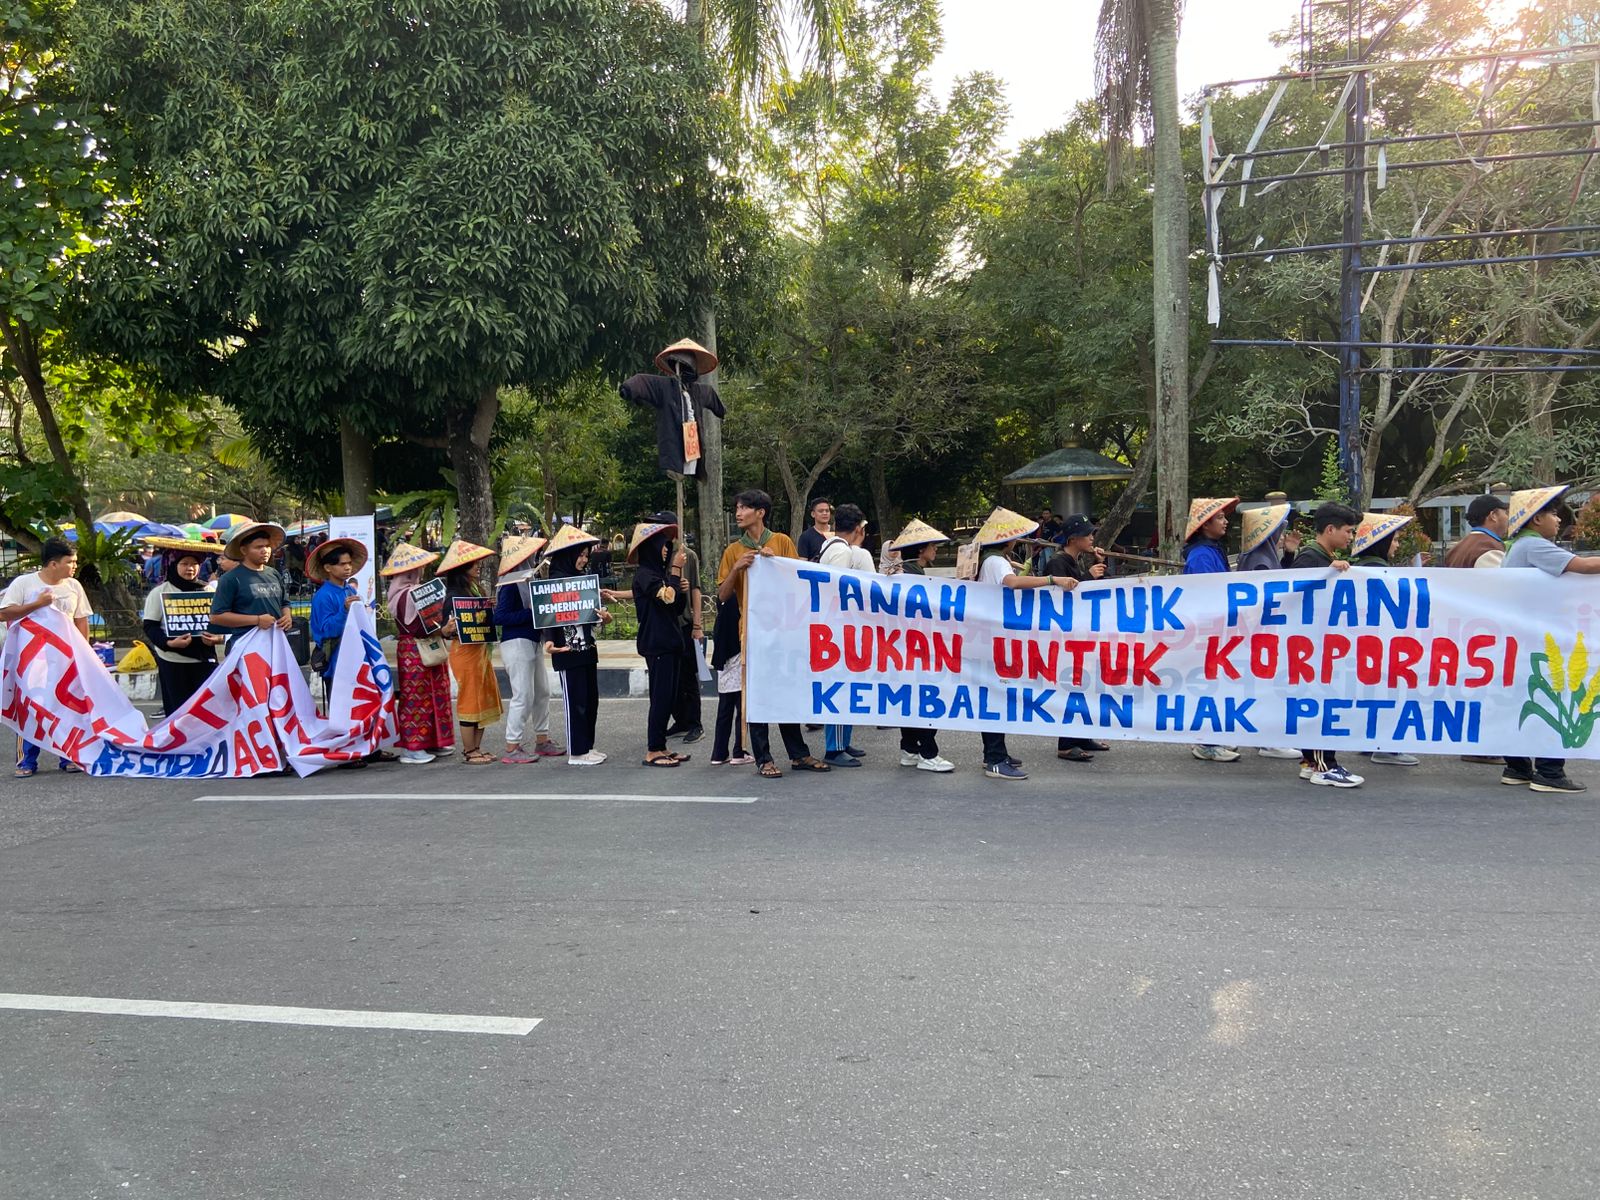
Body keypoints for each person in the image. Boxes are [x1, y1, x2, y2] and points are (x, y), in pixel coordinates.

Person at [717, 488, 830, 778]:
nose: (738, 513)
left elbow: (797, 580)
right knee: (757, 697)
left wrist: (774, 564)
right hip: (753, 634)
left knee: (785, 694)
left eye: (744, 508)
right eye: (737, 508)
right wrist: (738, 569)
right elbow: (723, 595)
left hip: (784, 632)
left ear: (760, 512)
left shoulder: (781, 542)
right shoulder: (734, 551)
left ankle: (798, 754)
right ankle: (763, 758)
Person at [1499, 486, 1600, 794]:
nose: (1558, 520)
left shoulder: (1517, 546)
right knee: (1554, 698)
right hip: (1538, 642)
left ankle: (1517, 768)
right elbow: (1582, 567)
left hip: (1521, 636)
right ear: (1536, 518)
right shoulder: (1534, 545)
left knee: (1521, 699)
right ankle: (1549, 773)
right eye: (1554, 514)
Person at [973, 507, 1083, 781]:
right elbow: (1011, 583)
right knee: (996, 697)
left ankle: (997, 753)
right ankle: (995, 759)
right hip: (995, 638)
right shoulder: (997, 562)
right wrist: (1050, 580)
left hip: (992, 635)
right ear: (1007, 539)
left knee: (997, 695)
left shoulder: (991, 559)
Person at [3, 538, 92, 777]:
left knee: (69, 706)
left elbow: (81, 620)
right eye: (69, 561)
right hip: (34, 660)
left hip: (67, 659)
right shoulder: (24, 583)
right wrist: (37, 604)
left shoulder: (73, 586)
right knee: (33, 706)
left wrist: (84, 653)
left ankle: (69, 756)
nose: (74, 565)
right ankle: (27, 760)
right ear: (53, 564)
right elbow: (4, 613)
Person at [1290, 502, 1363, 788]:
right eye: (1347, 531)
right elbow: (1294, 593)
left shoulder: (1322, 558)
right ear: (1330, 529)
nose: (1350, 537)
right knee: (1321, 701)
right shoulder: (1312, 559)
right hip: (1314, 649)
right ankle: (1324, 765)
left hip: (1318, 647)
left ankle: (1311, 761)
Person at [1347, 512, 1422, 768]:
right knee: (1389, 692)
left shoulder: (1358, 568)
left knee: (1371, 693)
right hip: (1383, 645)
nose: (1397, 545)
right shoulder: (1379, 571)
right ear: (1382, 542)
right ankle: (1386, 747)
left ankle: (1370, 742)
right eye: (1395, 540)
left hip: (1364, 645)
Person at [1235, 502, 1306, 760]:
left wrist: (1288, 555)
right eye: (1278, 530)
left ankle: (1263, 736)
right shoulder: (1260, 561)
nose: (1281, 536)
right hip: (1263, 634)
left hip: (1260, 634)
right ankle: (1269, 740)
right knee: (1268, 685)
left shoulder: (1261, 557)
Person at [884, 519, 955, 772]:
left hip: (904, 646)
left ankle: (909, 749)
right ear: (921, 550)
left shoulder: (904, 571)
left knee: (911, 697)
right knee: (926, 698)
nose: (935, 551)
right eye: (932, 547)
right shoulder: (909, 574)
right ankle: (928, 752)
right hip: (917, 646)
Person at [541, 524, 612, 766]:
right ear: (567, 555)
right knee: (576, 701)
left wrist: (604, 616)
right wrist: (548, 640)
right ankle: (577, 752)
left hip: (587, 648)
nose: (583, 560)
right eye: (580, 555)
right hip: (567, 649)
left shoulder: (583, 581)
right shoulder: (554, 582)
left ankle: (587, 746)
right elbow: (547, 615)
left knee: (591, 699)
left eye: (585, 555)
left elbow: (592, 615)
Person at [1042, 514, 1110, 763]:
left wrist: (1099, 564)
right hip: (1064, 637)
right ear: (1073, 538)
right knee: (1071, 686)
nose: (1092, 537)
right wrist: (1089, 577)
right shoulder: (1058, 564)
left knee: (1086, 684)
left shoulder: (1076, 560)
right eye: (1088, 533)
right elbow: (1062, 599)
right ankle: (1066, 742)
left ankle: (1082, 734)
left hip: (1081, 635)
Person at [493, 533, 563, 764]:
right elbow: (500, 616)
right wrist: (534, 614)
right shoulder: (510, 583)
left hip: (531, 641)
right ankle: (512, 746)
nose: (535, 557)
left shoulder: (526, 580)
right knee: (523, 695)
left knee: (541, 691)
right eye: (532, 553)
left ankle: (542, 740)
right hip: (516, 642)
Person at [383, 542, 454, 765]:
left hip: (426, 646)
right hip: (414, 650)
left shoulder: (415, 591)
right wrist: (441, 629)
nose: (422, 571)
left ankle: (433, 740)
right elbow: (415, 627)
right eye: (420, 567)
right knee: (417, 698)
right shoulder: (405, 595)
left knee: (436, 693)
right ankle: (412, 746)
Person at [1183, 498, 1241, 764]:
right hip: (1207, 631)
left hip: (1215, 630)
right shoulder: (1201, 556)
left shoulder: (1211, 551)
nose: (1225, 521)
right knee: (1207, 685)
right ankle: (1205, 742)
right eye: (1219, 518)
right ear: (1206, 525)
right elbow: (1206, 596)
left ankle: (1211, 736)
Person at [817, 503, 875, 767]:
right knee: (841, 686)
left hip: (837, 628)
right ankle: (835, 747)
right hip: (840, 629)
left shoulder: (832, 546)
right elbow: (838, 588)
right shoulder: (841, 551)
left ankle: (843, 740)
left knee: (846, 685)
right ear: (858, 528)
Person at [139, 537, 223, 718]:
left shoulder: (208, 591)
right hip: (173, 661)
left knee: (205, 712)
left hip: (204, 660)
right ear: (173, 564)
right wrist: (169, 643)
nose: (190, 568)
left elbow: (220, 622)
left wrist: (219, 638)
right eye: (184, 563)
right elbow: (150, 626)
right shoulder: (160, 592)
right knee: (178, 713)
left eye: (194, 564)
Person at [619, 338, 727, 479]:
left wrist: (721, 410)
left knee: (691, 462)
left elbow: (712, 397)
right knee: (675, 459)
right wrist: (627, 390)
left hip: (692, 437)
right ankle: (676, 469)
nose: (681, 370)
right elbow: (642, 381)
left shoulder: (699, 391)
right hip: (673, 437)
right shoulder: (664, 387)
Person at [631, 519, 690, 767]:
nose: (667, 550)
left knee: (669, 697)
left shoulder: (658, 574)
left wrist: (680, 586)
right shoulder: (645, 575)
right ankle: (653, 750)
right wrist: (676, 573)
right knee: (660, 697)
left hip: (670, 642)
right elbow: (666, 598)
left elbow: (674, 604)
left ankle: (662, 747)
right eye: (662, 545)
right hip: (657, 644)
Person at [438, 540, 502, 765]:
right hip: (464, 653)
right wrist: (447, 629)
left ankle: (477, 747)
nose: (478, 567)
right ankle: (469, 750)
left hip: (481, 651)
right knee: (469, 699)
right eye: (473, 564)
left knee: (482, 699)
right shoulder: (453, 595)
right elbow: (445, 630)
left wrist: (488, 607)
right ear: (461, 569)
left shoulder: (476, 590)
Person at [653, 509, 705, 745]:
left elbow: (695, 588)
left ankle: (695, 723)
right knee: (670, 678)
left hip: (683, 623)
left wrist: (697, 624)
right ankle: (680, 719)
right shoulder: (655, 555)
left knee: (688, 676)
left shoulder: (687, 555)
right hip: (663, 624)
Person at [209, 523, 291, 650]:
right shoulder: (230, 579)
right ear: (243, 550)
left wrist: (287, 616)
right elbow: (216, 617)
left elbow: (284, 603)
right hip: (246, 647)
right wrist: (257, 620)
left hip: (277, 644)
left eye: (267, 546)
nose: (265, 550)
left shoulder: (273, 573)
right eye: (258, 547)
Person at [308, 537, 368, 689]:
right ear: (328, 568)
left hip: (354, 658)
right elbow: (327, 630)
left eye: (349, 563)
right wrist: (344, 610)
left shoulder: (350, 590)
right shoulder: (323, 596)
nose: (348, 567)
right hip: (335, 664)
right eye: (342, 564)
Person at [707, 593, 753, 766]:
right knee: (742, 708)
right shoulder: (739, 600)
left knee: (725, 708)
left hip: (723, 658)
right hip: (736, 657)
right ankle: (739, 752)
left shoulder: (725, 601)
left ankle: (719, 753)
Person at [1444, 493, 1511, 569]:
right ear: (1493, 515)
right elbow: (1499, 579)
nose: (1508, 518)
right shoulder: (1489, 550)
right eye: (1506, 513)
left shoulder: (1455, 549)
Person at [1237, 501, 1302, 572]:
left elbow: (1279, 575)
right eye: (1280, 533)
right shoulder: (1261, 564)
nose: (1283, 538)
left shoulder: (1258, 556)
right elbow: (1278, 580)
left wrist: (1289, 554)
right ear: (1271, 535)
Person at [796, 496, 834, 563]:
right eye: (821, 511)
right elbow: (802, 563)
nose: (825, 513)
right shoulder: (805, 536)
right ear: (813, 514)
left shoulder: (838, 532)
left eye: (827, 511)